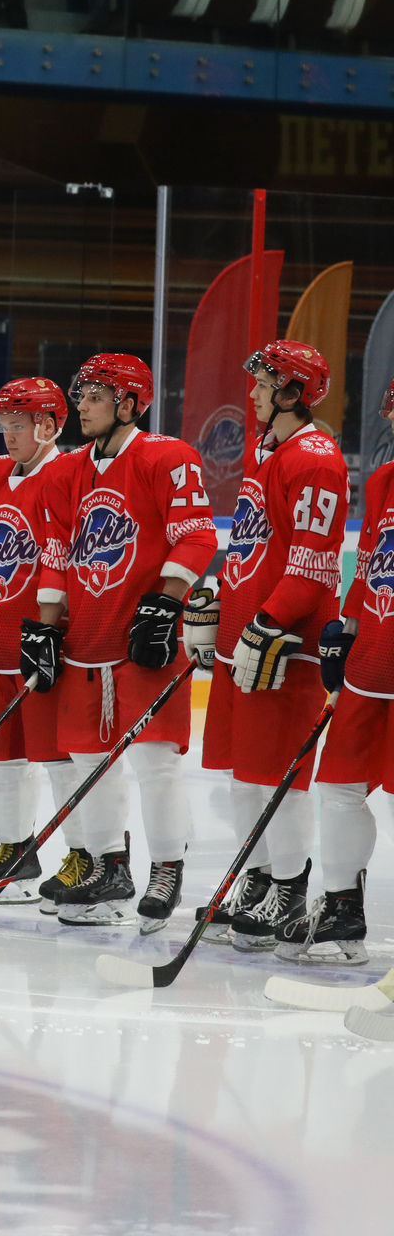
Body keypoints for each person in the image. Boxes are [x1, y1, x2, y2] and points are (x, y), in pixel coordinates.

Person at [31, 353, 216, 929]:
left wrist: (166, 602)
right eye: (80, 395)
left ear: (130, 402)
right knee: (89, 760)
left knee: (155, 762)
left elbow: (197, 538)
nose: (80, 406)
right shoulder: (65, 473)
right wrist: (43, 624)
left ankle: (167, 866)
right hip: (85, 637)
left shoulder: (167, 457)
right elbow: (57, 555)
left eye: (93, 396)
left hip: (143, 636)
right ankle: (110, 866)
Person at [200, 341, 349, 950]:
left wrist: (266, 622)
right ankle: (257, 880)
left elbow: (311, 565)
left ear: (292, 392)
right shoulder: (268, 451)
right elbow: (254, 545)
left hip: (285, 646)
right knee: (244, 777)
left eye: (264, 383)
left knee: (276, 778)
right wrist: (217, 599)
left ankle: (289, 887)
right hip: (249, 636)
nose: (254, 392)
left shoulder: (315, 459)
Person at [0, 378, 80, 906]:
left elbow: (73, 556)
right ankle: (14, 850)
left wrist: (58, 625)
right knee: (0, 752)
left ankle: (83, 856)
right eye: (3, 424)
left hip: (44, 639)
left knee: (55, 756)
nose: (7, 435)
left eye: (18, 425)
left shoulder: (69, 472)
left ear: (49, 425)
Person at [297, 375, 394, 964]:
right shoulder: (384, 480)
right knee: (337, 786)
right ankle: (341, 911)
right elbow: (375, 563)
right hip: (372, 663)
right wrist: (347, 630)